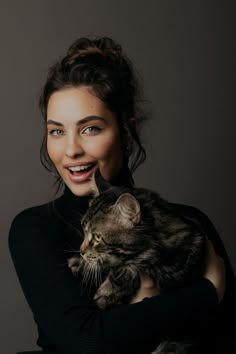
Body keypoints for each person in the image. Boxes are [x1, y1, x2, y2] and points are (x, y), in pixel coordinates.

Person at [8, 36, 235, 354]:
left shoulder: (191, 224)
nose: (71, 149)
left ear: (127, 132)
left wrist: (132, 318)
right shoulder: (34, 230)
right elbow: (85, 342)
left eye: (91, 128)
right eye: (56, 131)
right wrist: (208, 293)